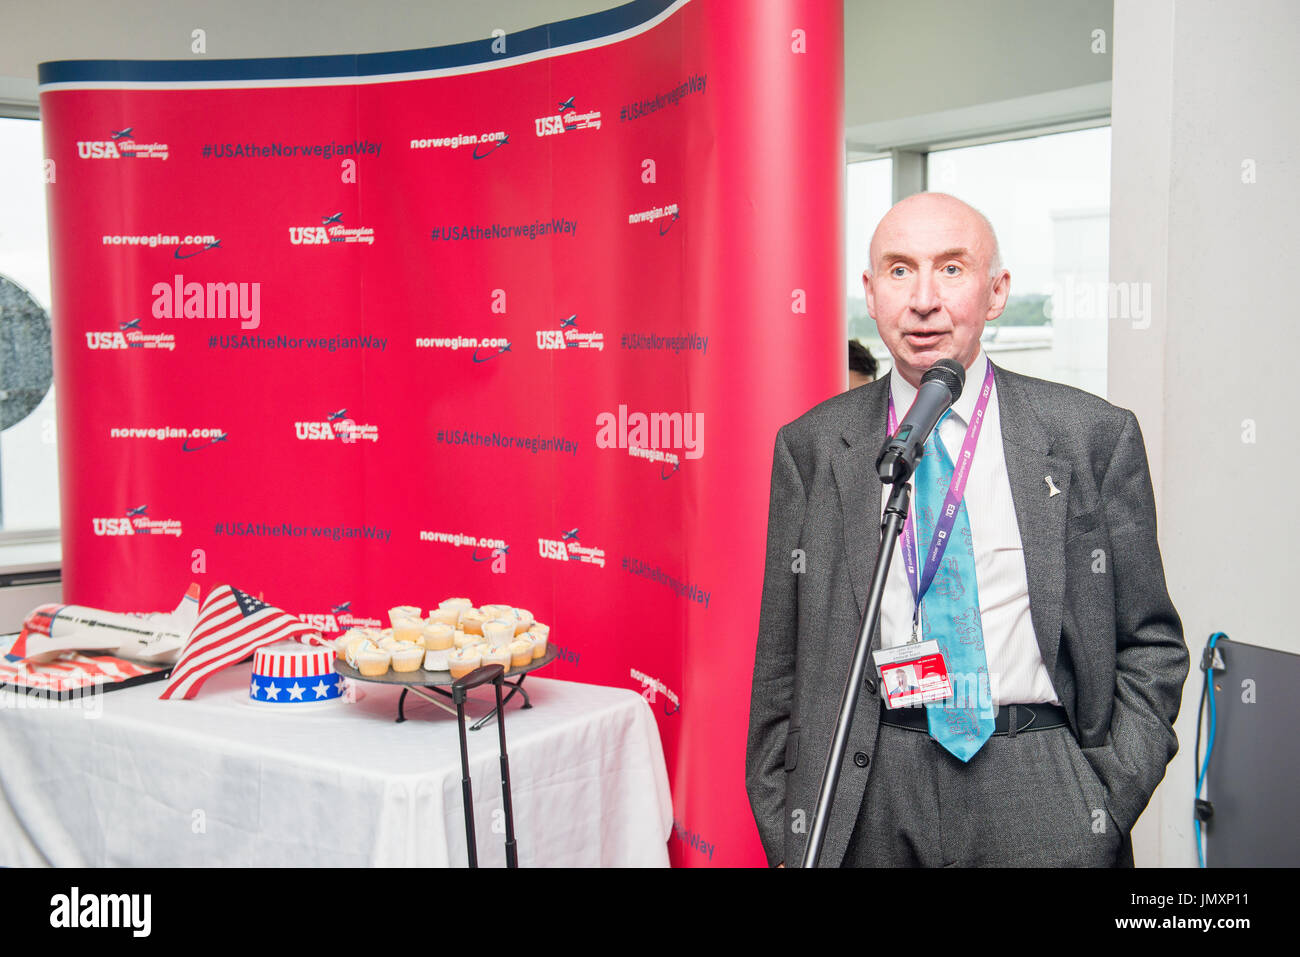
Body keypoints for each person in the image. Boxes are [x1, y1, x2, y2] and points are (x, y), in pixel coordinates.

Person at [745, 191, 1188, 867]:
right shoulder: (812, 447)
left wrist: (1102, 798)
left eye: (951, 269)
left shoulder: (1091, 435)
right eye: (899, 270)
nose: (923, 299)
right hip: (870, 785)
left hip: (1037, 777)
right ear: (871, 292)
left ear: (997, 291)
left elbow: (1151, 641)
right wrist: (790, 829)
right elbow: (781, 662)